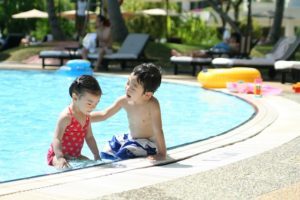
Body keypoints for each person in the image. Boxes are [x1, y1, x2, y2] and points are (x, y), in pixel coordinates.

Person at [91, 63, 167, 161]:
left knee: (124, 153)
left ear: (147, 95)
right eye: (128, 82)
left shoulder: (152, 105)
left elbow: (158, 130)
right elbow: (104, 114)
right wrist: (84, 117)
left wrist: (162, 153)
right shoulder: (123, 101)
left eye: (133, 87)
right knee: (106, 152)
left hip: (147, 142)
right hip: (131, 137)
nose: (127, 88)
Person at [47, 75, 102, 169]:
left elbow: (89, 137)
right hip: (56, 155)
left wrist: (96, 155)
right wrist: (60, 157)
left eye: (96, 103)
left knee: (93, 164)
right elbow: (57, 139)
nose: (93, 107)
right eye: (89, 103)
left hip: (75, 155)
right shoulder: (66, 116)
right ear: (75, 98)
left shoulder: (86, 116)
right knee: (64, 167)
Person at [171, 32, 241, 58]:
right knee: (194, 52)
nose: (230, 38)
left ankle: (180, 55)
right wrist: (227, 42)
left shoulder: (236, 45)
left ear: (235, 39)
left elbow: (235, 48)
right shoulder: (228, 43)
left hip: (215, 54)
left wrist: (228, 42)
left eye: (232, 38)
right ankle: (180, 55)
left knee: (196, 53)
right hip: (212, 51)